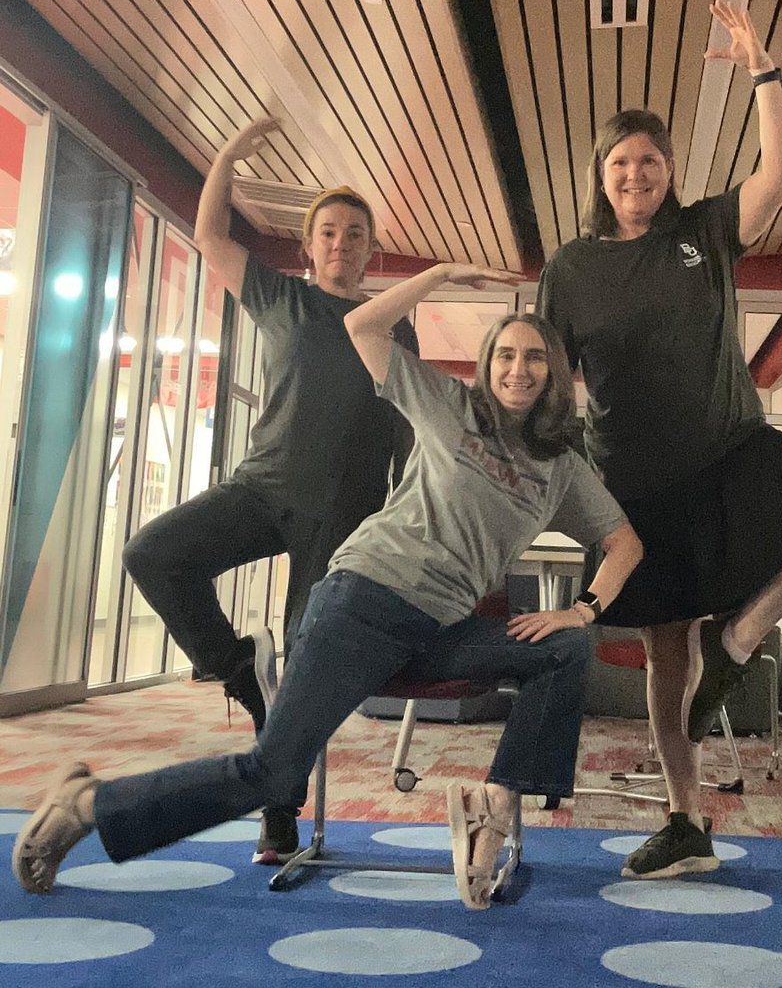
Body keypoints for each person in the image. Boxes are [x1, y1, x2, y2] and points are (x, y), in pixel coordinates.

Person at [13, 262, 644, 912]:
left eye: (534, 357)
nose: (519, 368)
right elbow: (363, 326)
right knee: (272, 773)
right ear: (487, 363)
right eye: (505, 353)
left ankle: (495, 805)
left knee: (564, 650)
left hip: (440, 630)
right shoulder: (452, 405)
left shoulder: (560, 466)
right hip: (363, 601)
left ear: (553, 372)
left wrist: (584, 609)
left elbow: (625, 543)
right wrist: (443, 273)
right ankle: (85, 804)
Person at [537, 2, 782, 880]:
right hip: (636, 483)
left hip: (731, 445)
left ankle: (746, 632)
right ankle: (686, 822)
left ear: (669, 171)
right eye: (619, 162)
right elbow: (549, 383)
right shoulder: (569, 268)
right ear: (600, 177)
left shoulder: (703, 232)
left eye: (649, 160)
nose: (634, 173)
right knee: (663, 651)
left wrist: (764, 70)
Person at [120, 117, 418, 863]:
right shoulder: (279, 298)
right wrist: (226, 155)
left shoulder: (392, 325)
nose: (341, 243)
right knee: (153, 554)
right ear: (310, 245)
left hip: (345, 515)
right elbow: (210, 234)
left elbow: (415, 430)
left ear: (368, 248)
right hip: (262, 487)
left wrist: (405, 513)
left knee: (309, 661)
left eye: (355, 233)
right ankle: (240, 671)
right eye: (328, 232)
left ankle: (278, 812)